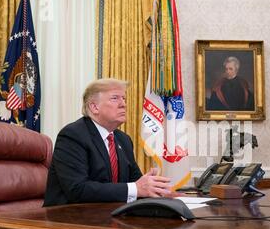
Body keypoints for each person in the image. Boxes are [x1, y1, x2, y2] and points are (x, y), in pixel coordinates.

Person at [44, 78, 173, 206]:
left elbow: (136, 182)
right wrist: (136, 188)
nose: (123, 104)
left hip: (108, 215)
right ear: (94, 107)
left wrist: (156, 190)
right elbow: (77, 189)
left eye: (124, 99)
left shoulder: (124, 140)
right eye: (115, 98)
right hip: (67, 218)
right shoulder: (72, 135)